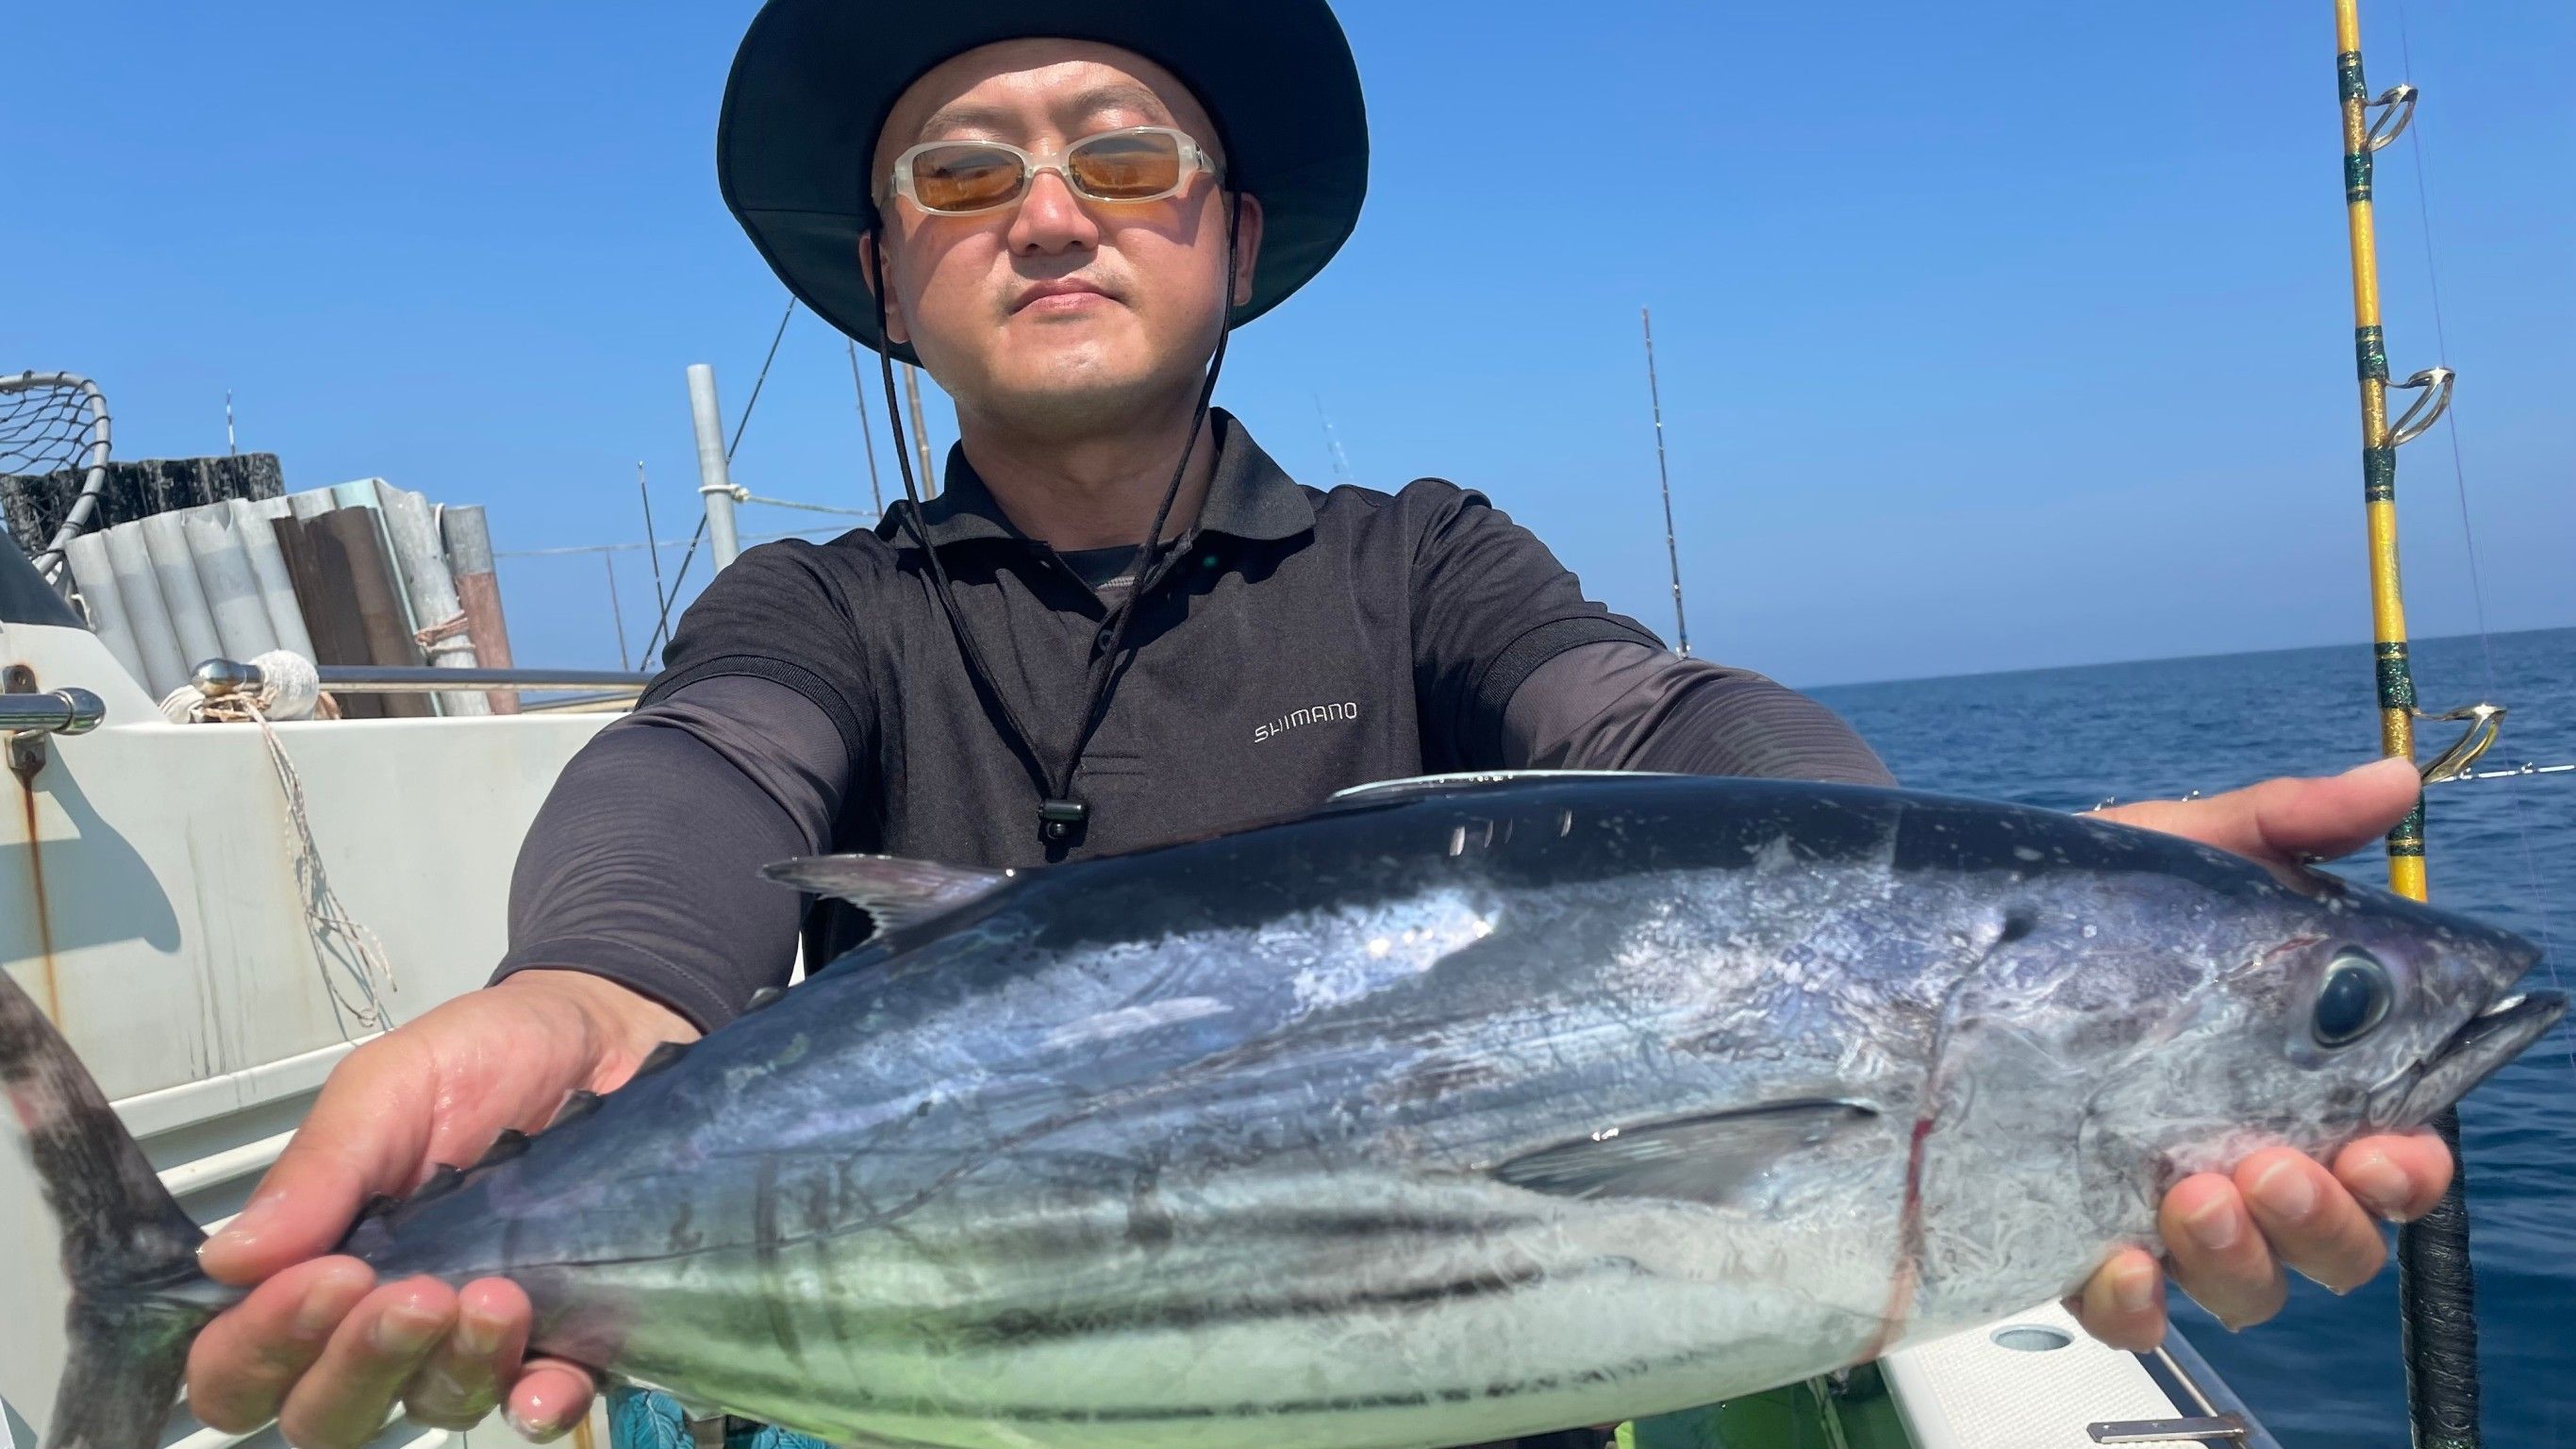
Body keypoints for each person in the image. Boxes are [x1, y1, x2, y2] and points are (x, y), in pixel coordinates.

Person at [181, 2, 2454, 1443]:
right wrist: (596, 982)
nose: (1047, 216)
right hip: (959, 1384)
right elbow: (702, 770)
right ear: (887, 273)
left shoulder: (1418, 562)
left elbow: (1655, 720)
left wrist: (1985, 914)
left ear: (1232, 238)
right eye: (964, 175)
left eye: (1122, 161)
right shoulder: (822, 608)